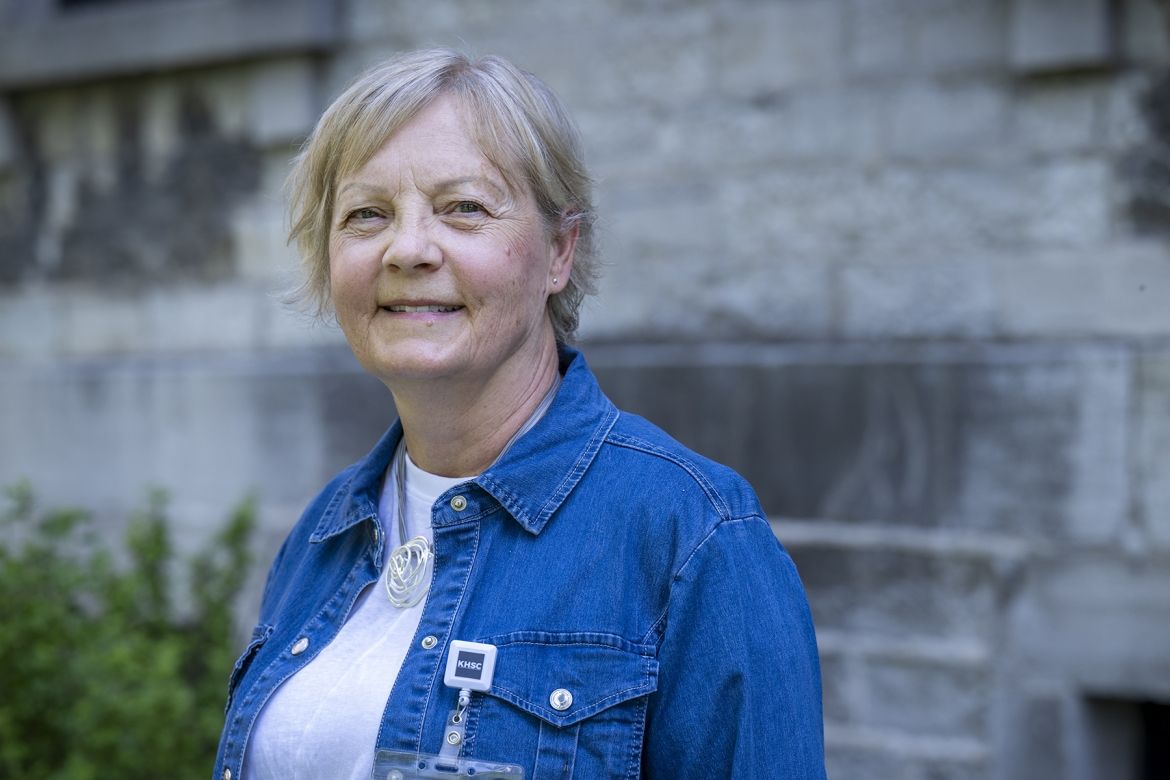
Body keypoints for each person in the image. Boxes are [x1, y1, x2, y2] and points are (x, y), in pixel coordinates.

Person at [215, 48, 825, 780]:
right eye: (367, 214)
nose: (407, 249)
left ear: (559, 252)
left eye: (463, 208)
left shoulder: (693, 536)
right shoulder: (326, 529)